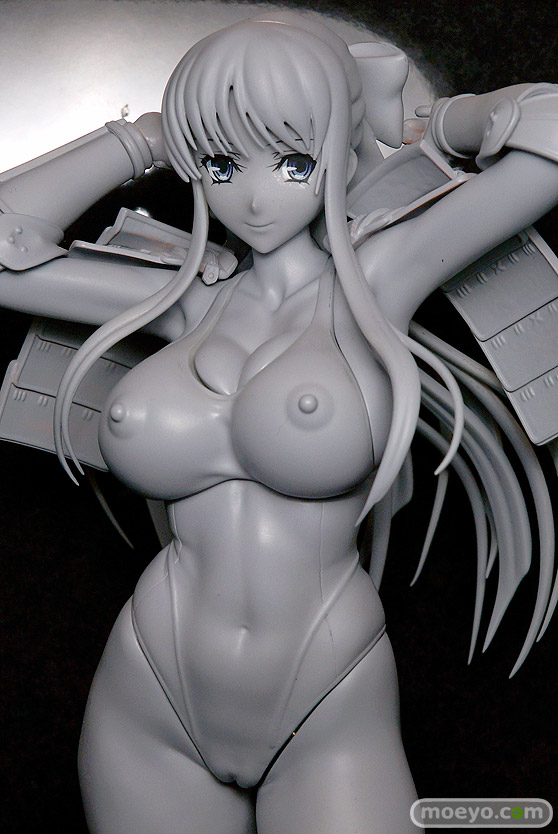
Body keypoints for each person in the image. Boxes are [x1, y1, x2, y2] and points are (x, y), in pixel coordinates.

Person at [0, 12, 556, 834]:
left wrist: (428, 122)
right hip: (149, 685)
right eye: (221, 164)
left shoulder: (378, 278)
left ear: (338, 151)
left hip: (324, 689)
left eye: (294, 161)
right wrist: (147, 138)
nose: (255, 197)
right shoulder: (181, 297)